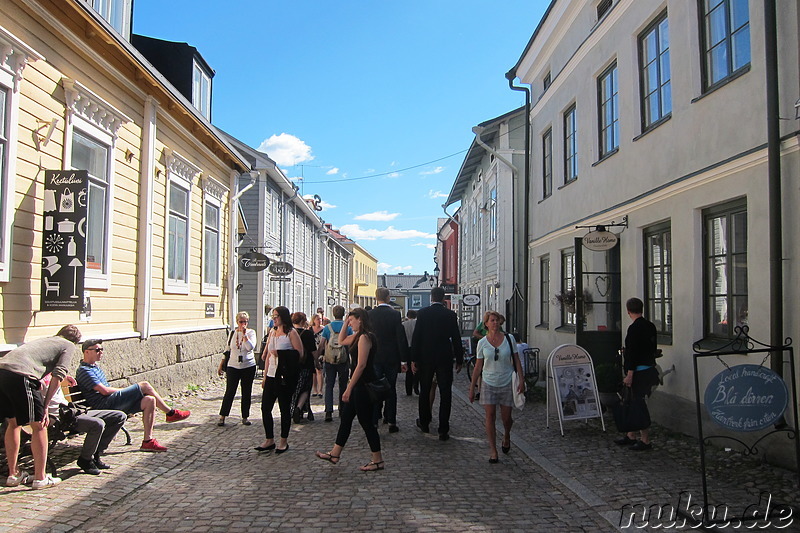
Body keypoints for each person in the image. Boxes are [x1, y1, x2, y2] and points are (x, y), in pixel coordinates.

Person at [0, 325, 81, 489]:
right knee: (40, 425)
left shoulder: (46, 340)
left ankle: (13, 475)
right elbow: (58, 375)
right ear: (76, 341)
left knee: (13, 423)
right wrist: (44, 407)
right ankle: (40, 478)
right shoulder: (68, 345)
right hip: (21, 375)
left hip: (2, 372)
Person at [75, 339, 191, 453]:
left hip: (110, 401)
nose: (101, 352)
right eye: (97, 350)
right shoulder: (84, 370)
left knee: (149, 400)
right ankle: (170, 413)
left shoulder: (95, 368)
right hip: (103, 405)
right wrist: (126, 391)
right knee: (144, 385)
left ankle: (148, 441)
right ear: (87, 352)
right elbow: (104, 391)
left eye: (102, 349)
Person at [315, 308, 384, 471]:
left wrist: (348, 388)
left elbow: (361, 365)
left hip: (363, 385)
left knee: (366, 422)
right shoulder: (358, 336)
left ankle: (378, 459)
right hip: (359, 384)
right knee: (346, 419)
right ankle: (335, 453)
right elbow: (342, 339)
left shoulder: (365, 338)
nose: (350, 323)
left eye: (352, 320)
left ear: (360, 319)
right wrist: (345, 322)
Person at [42, 373, 126, 475]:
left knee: (119, 416)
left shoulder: (53, 374)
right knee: (98, 424)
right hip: (61, 419)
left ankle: (96, 453)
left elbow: (57, 376)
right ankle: (85, 460)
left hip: (73, 411)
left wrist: (65, 377)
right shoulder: (37, 378)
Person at [468, 311, 524, 463]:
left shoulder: (509, 338)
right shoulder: (482, 343)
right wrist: (472, 387)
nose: (495, 323)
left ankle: (506, 435)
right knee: (490, 416)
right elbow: (478, 366)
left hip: (506, 380)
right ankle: (493, 450)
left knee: (506, 418)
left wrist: (521, 380)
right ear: (486, 324)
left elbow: (517, 360)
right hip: (488, 382)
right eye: (492, 320)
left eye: (497, 320)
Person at [411, 287, 464, 441]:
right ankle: (443, 428)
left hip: (425, 357)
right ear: (442, 298)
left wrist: (414, 358)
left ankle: (425, 422)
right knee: (445, 392)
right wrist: (459, 359)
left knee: (425, 389)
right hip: (444, 357)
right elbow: (456, 337)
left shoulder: (422, 313)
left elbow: (417, 337)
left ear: (431, 297)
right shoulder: (450, 315)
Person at [255, 306, 303, 454]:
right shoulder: (272, 332)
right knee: (265, 408)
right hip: (271, 375)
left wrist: (281, 354)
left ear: (283, 317)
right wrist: (264, 377)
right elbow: (269, 355)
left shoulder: (291, 333)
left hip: (284, 377)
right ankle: (269, 439)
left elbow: (299, 354)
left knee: (284, 409)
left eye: (276, 316)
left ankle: (283, 441)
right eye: (273, 316)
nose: (274, 319)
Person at [615, 297, 659, 451]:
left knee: (638, 403)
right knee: (632, 401)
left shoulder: (634, 329)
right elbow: (652, 348)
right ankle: (631, 435)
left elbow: (633, 354)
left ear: (628, 311)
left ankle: (645, 440)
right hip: (649, 369)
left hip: (639, 372)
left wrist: (629, 374)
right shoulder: (650, 326)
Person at [369, 288, 408, 432]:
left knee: (375, 388)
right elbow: (400, 338)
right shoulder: (395, 315)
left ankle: (374, 420)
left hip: (374, 357)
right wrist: (404, 360)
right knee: (391, 388)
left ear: (376, 298)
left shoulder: (369, 315)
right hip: (391, 357)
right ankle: (391, 420)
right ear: (388, 298)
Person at [217, 311, 257, 426]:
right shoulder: (232, 333)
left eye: (245, 321)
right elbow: (227, 349)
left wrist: (245, 336)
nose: (243, 324)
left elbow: (250, 347)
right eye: (241, 321)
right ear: (237, 322)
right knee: (230, 391)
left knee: (246, 391)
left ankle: (245, 416)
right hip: (233, 365)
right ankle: (223, 416)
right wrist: (221, 364)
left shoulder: (251, 333)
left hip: (248, 366)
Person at [318, 305, 351, 422]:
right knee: (343, 385)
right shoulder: (347, 327)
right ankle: (342, 409)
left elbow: (322, 344)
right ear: (343, 314)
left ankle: (328, 411)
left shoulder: (327, 328)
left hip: (329, 359)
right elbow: (350, 344)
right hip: (343, 360)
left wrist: (318, 356)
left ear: (333, 314)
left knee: (329, 385)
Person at [291, 312, 317, 422]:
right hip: (306, 364)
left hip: (292, 365)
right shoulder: (308, 334)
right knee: (305, 388)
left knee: (295, 388)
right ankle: (299, 407)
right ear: (303, 321)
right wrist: (317, 362)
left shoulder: (290, 333)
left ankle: (295, 409)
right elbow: (313, 351)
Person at [402, 309, 418, 396]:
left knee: (408, 370)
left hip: (406, 348)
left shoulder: (403, 324)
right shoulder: (417, 324)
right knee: (416, 368)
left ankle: (408, 390)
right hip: (416, 348)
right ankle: (416, 385)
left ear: (408, 316)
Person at [309, 314, 325, 398]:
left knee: (319, 370)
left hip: (321, 351)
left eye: (320, 319)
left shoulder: (324, 329)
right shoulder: (310, 329)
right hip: (312, 351)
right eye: (318, 319)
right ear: (314, 320)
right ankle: (314, 389)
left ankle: (320, 390)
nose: (320, 320)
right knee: (313, 372)